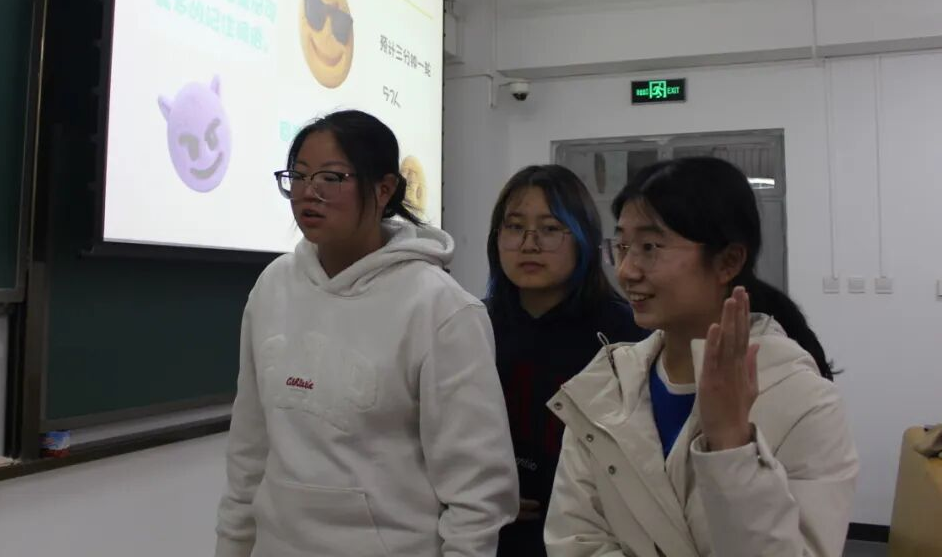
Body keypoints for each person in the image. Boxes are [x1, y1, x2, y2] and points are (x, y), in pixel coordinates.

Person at [215, 109, 519, 557]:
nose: (308, 193)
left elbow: (478, 492)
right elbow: (248, 451)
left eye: (331, 178)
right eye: (298, 176)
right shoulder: (273, 286)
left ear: (384, 189)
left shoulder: (440, 308)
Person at [544, 157, 858, 557]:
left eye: (650, 247)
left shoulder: (803, 401)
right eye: (622, 247)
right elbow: (577, 541)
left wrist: (731, 446)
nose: (626, 271)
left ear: (728, 262)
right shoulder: (606, 387)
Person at [484, 165, 648, 557]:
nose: (530, 244)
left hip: (593, 536)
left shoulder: (625, 334)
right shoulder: (471, 325)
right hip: (484, 534)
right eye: (515, 227)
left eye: (550, 228)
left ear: (583, 238)